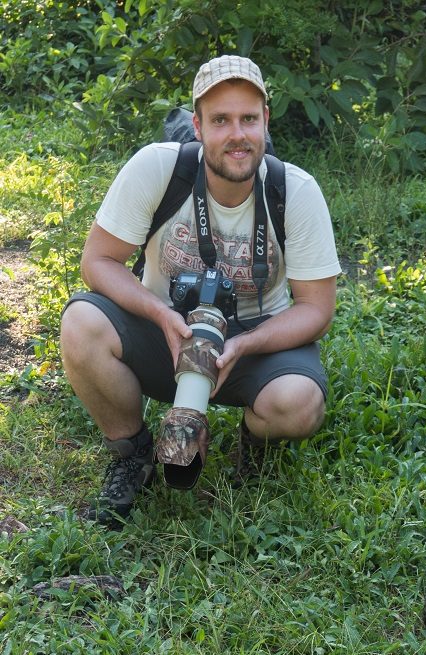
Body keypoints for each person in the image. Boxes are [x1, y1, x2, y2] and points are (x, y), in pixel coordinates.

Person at [60, 55, 341, 527]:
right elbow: (97, 261)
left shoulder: (296, 191)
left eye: (249, 119)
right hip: (164, 328)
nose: (238, 135)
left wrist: (244, 344)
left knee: (299, 402)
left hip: (251, 338)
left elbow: (316, 308)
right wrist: (159, 314)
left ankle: (255, 443)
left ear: (265, 122)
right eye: (221, 121)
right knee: (81, 324)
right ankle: (133, 453)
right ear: (197, 126)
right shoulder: (158, 169)